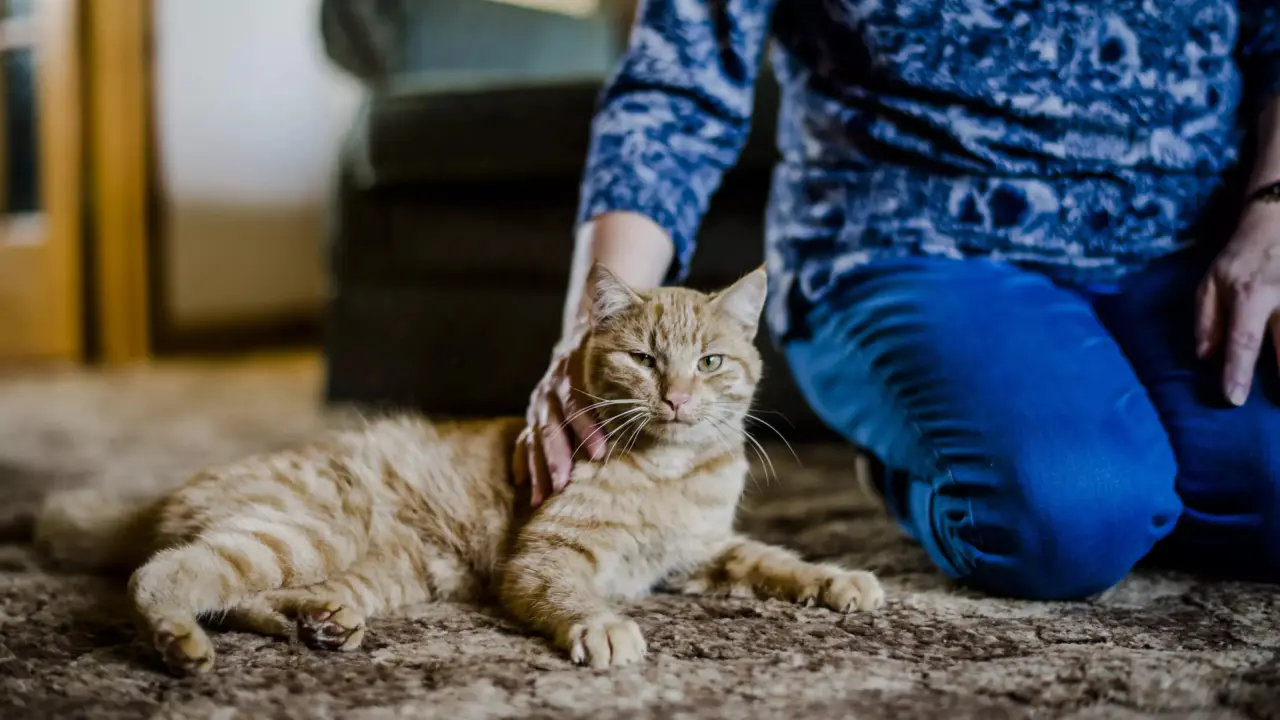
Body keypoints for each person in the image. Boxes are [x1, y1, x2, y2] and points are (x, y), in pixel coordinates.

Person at [511, 0, 1280, 600]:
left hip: (1201, 246)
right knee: (1075, 516)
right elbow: (676, 90)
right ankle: (945, 464)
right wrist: (592, 334)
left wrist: (1272, 209)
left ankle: (1049, 438)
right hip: (909, 244)